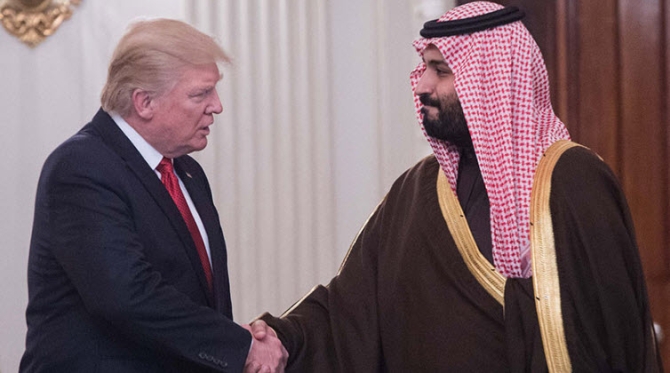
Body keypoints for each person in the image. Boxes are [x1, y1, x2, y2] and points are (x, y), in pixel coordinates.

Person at [250, 2, 662, 372]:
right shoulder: (416, 189)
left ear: (490, 79)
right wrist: (283, 339)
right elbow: (348, 309)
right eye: (424, 68)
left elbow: (609, 332)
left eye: (441, 71)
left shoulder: (573, 180)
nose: (422, 85)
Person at [20, 19, 287, 373]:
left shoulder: (187, 172)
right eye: (200, 94)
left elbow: (196, 301)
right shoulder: (81, 167)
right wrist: (239, 347)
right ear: (144, 102)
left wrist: (234, 341)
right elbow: (126, 295)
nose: (217, 106)